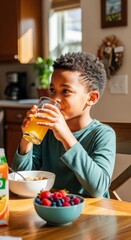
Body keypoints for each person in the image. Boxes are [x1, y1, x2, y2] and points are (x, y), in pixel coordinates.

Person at [12, 52, 116, 198]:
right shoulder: (46, 130)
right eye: (53, 90)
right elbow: (21, 179)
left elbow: (98, 189)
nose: (54, 98)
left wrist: (66, 136)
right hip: (53, 208)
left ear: (91, 98)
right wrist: (27, 139)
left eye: (65, 91)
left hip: (93, 214)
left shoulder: (103, 134)